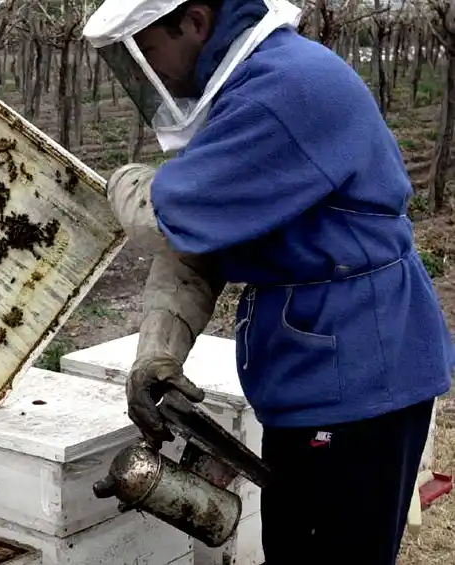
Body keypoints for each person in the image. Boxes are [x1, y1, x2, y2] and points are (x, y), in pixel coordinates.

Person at [83, 0, 453, 563]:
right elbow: (198, 245)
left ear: (196, 23)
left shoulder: (282, 94)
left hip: (357, 378)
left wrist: (122, 182)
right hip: (316, 372)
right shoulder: (246, 89)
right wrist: (157, 352)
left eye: (147, 55)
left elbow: (162, 217)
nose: (147, 78)